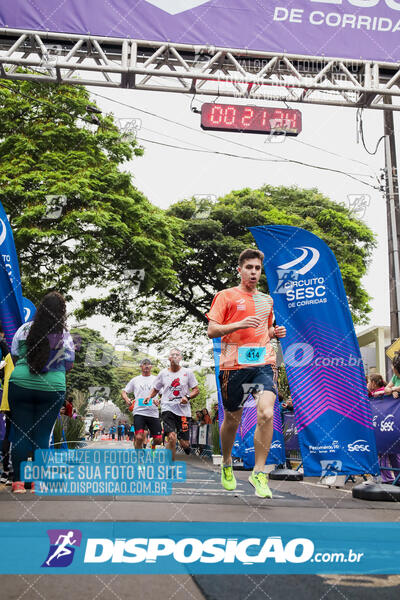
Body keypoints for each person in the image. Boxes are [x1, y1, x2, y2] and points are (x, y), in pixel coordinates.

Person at [206, 248, 286, 498]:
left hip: (263, 363)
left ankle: (259, 473)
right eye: (249, 267)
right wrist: (239, 324)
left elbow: (264, 330)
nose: (253, 272)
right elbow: (212, 330)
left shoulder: (267, 300)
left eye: (257, 268)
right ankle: (227, 462)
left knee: (267, 412)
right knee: (232, 420)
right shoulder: (225, 296)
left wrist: (276, 333)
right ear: (239, 270)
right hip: (233, 366)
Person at [8, 291, 75, 493]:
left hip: (20, 384)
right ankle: (37, 483)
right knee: (43, 435)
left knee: (19, 433)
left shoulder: (23, 329)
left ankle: (18, 484)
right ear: (61, 312)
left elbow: (13, 356)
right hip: (52, 388)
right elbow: (69, 365)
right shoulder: (65, 335)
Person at [145, 348, 199, 461]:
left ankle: (186, 446)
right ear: (169, 358)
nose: (175, 356)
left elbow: (196, 390)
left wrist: (187, 397)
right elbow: (155, 389)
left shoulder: (187, 373)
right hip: (167, 408)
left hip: (183, 410)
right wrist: (149, 397)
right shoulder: (163, 373)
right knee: (171, 437)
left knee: (185, 443)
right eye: (172, 355)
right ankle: (170, 465)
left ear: (180, 358)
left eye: (177, 355)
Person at [122, 358, 163, 450]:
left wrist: (159, 401)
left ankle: (152, 443)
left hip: (153, 413)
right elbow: (124, 392)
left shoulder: (156, 380)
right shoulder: (135, 380)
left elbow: (163, 394)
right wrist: (126, 399)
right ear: (141, 366)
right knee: (139, 437)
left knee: (158, 440)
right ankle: (139, 455)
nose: (147, 366)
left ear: (151, 367)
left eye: (148, 364)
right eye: (144, 364)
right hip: (139, 412)